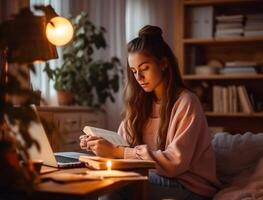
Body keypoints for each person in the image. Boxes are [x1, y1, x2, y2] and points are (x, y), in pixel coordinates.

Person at [79, 25, 220, 200]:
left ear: (163, 64)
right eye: (134, 71)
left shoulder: (187, 102)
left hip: (190, 186)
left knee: (115, 185)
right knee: (98, 178)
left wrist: (117, 153)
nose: (139, 77)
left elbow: (175, 163)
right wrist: (99, 144)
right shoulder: (140, 104)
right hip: (156, 177)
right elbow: (122, 144)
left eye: (144, 68)